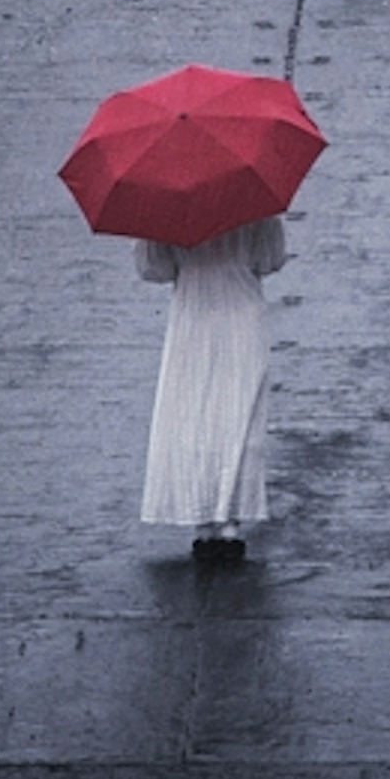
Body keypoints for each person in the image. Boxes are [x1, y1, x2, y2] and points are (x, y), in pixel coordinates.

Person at [139, 210, 291, 561]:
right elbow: (270, 259)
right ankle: (231, 520)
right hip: (242, 315)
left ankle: (202, 520)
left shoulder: (163, 206)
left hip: (193, 315)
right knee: (238, 417)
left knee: (191, 415)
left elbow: (154, 269)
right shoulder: (255, 205)